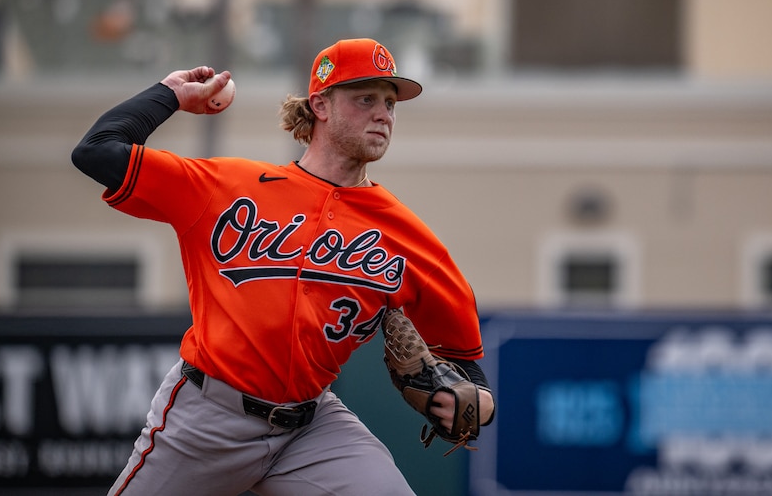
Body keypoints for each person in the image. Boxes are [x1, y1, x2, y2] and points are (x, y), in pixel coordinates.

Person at [71, 38, 495, 496]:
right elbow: (95, 151)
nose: (384, 114)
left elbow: (468, 368)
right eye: (366, 98)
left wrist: (471, 404)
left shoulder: (411, 238)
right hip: (206, 420)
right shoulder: (225, 188)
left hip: (311, 429)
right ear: (321, 105)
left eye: (390, 102)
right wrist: (169, 94)